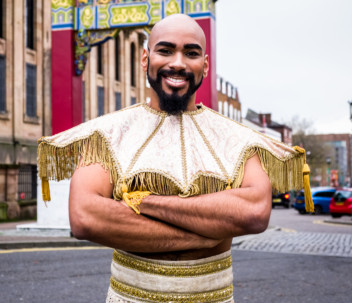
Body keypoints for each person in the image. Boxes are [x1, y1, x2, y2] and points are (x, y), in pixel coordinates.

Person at [38, 14, 312, 303]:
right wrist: (208, 231)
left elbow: (254, 212)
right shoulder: (108, 135)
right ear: (146, 58)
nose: (178, 63)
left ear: (205, 65)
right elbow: (85, 218)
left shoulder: (238, 139)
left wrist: (142, 200)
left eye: (191, 53)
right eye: (165, 50)